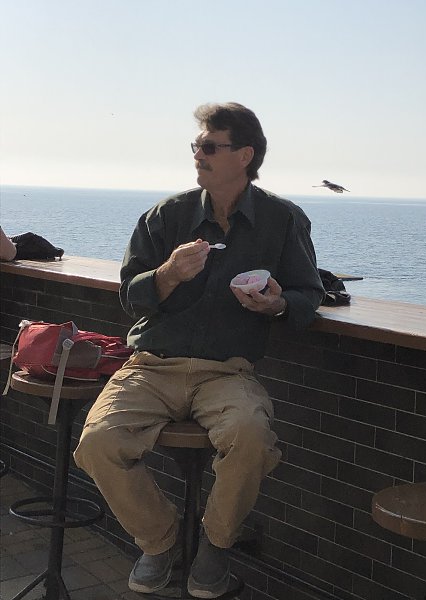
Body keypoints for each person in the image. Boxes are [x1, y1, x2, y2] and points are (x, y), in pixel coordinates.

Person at [74, 102, 324, 598]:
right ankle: (162, 540)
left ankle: (216, 543)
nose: (198, 155)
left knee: (251, 437)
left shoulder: (282, 219)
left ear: (245, 155)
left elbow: (308, 294)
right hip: (151, 365)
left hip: (227, 372)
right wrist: (168, 274)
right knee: (98, 443)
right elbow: (129, 294)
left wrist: (276, 304)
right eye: (196, 145)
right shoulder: (166, 216)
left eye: (209, 146)